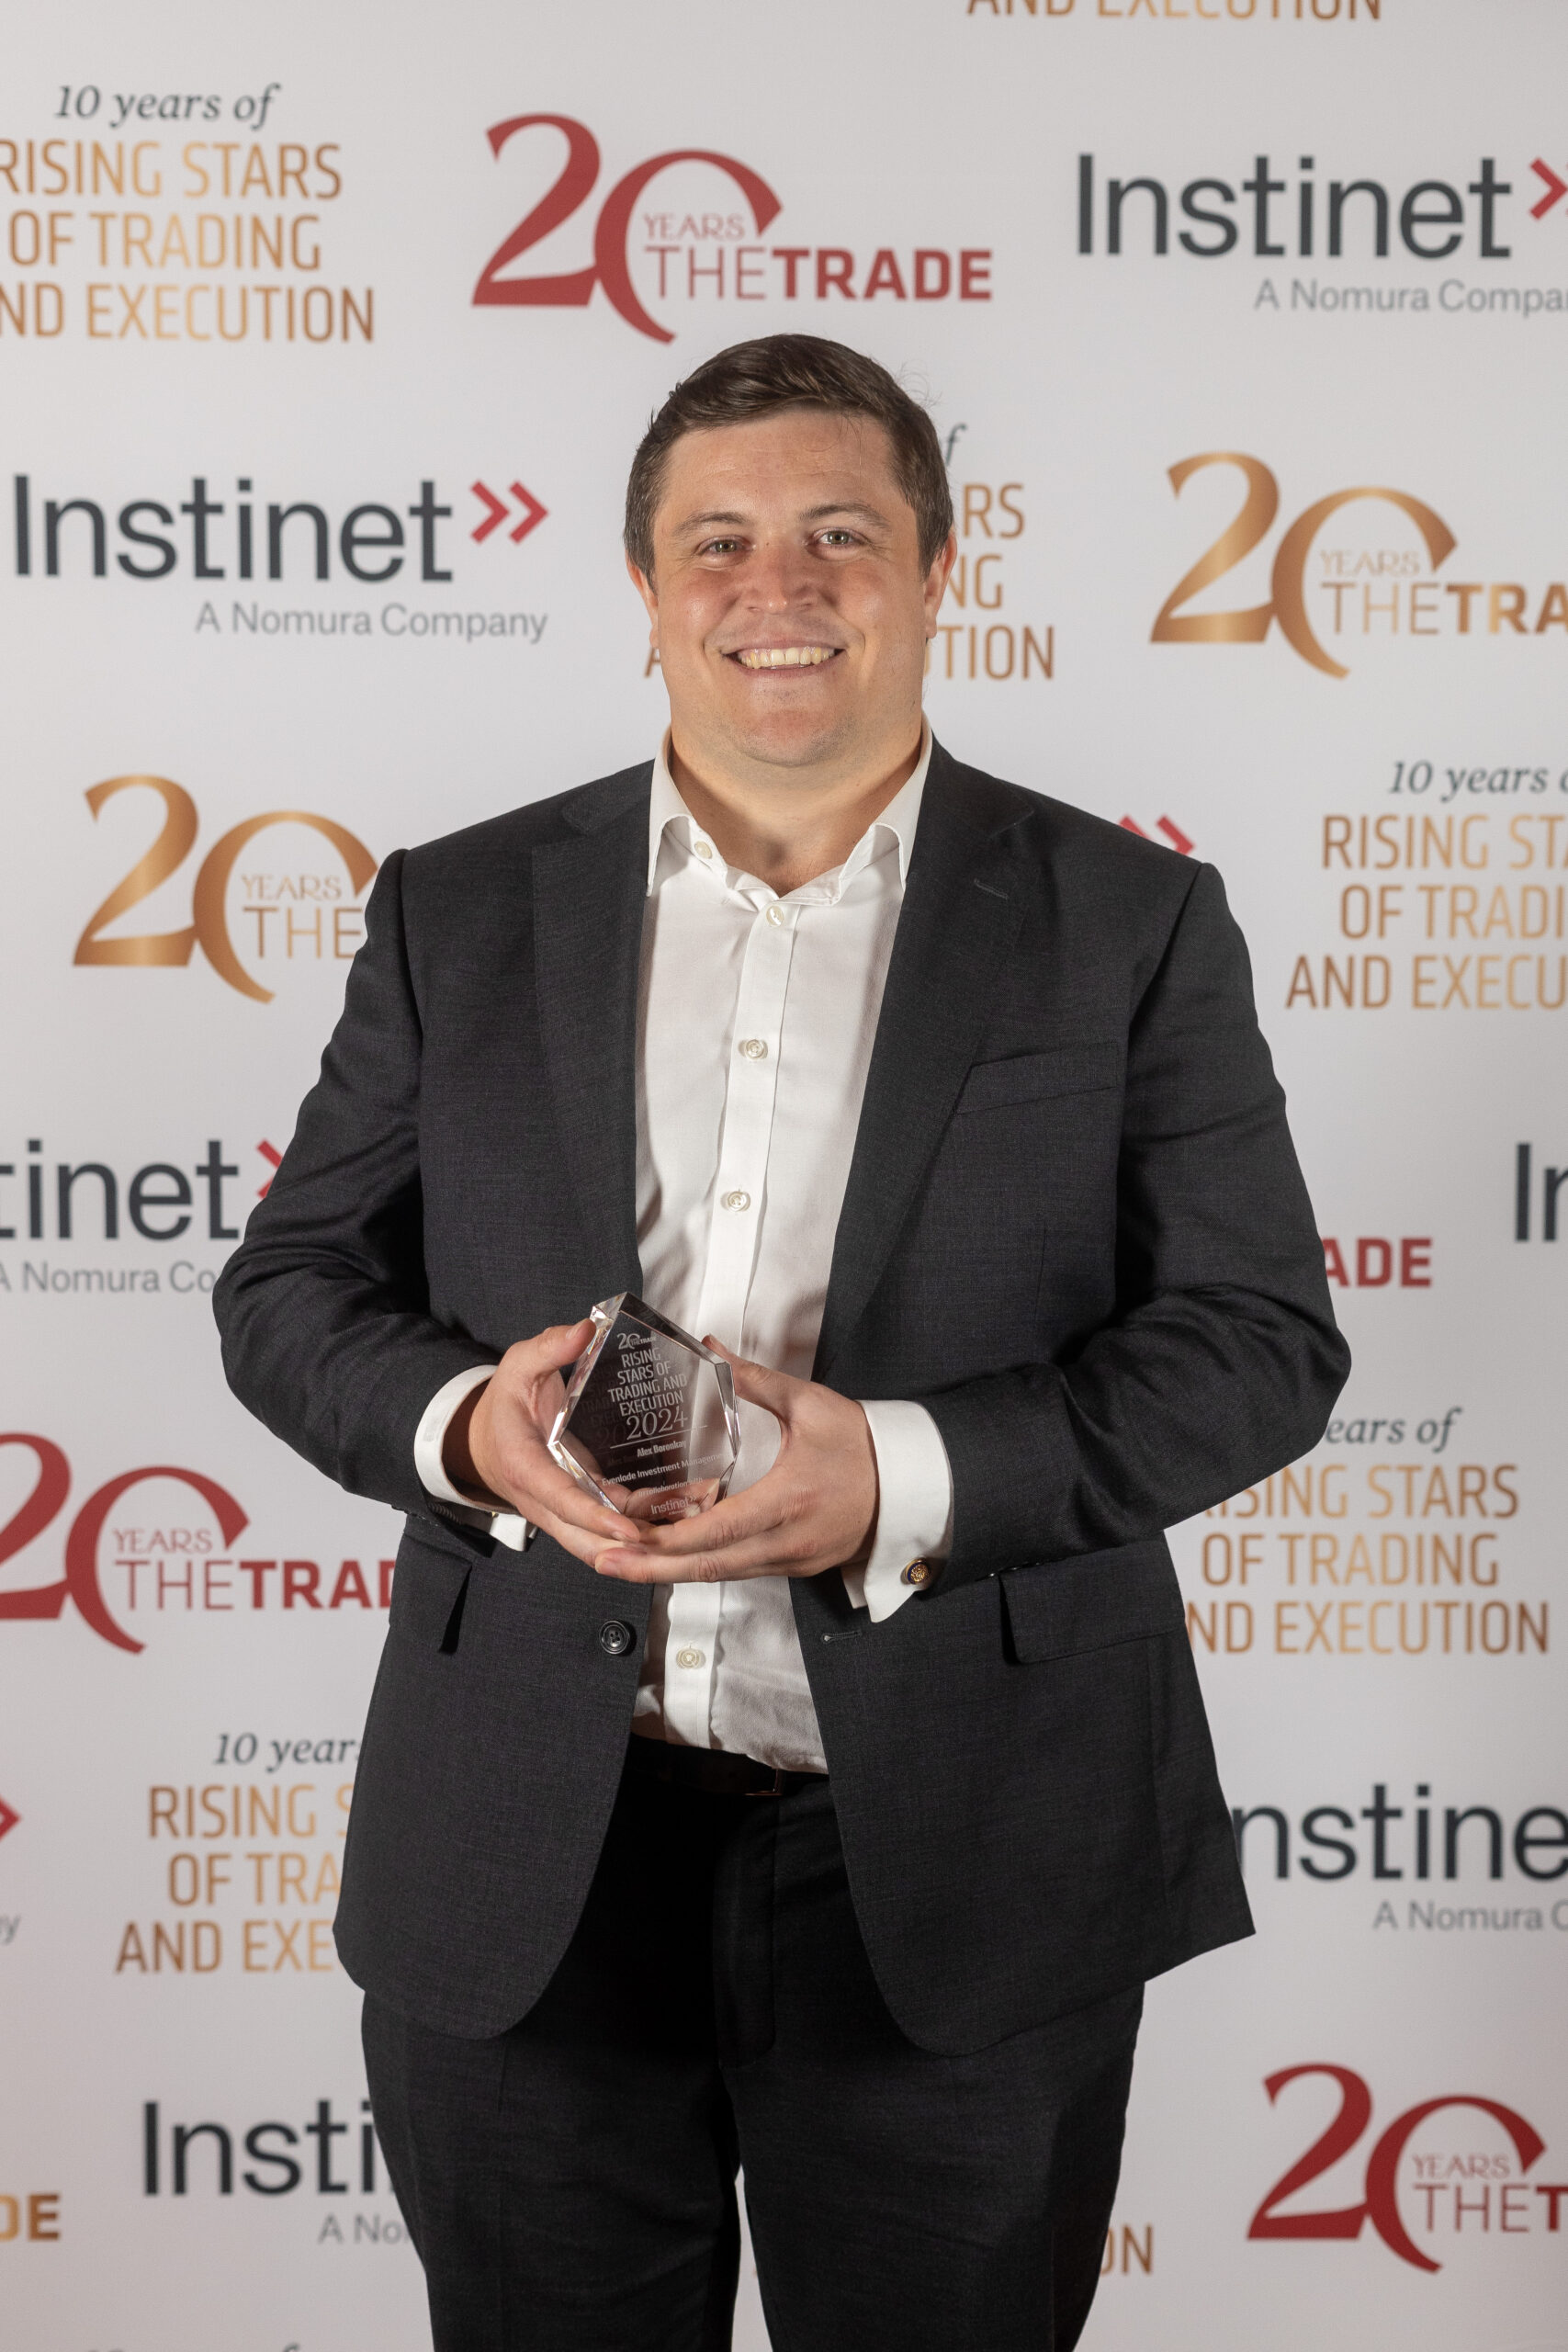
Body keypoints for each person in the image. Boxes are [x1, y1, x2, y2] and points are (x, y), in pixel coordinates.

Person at [214, 333, 1348, 2352]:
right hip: (527, 1850)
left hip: (972, 1849)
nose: (778, 586)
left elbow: (1256, 1340)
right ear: (644, 589)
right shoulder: (456, 910)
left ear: (936, 568)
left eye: (839, 532)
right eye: (716, 542)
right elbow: (292, 1284)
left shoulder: (1130, 919)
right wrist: (468, 1427)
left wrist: (897, 1474)